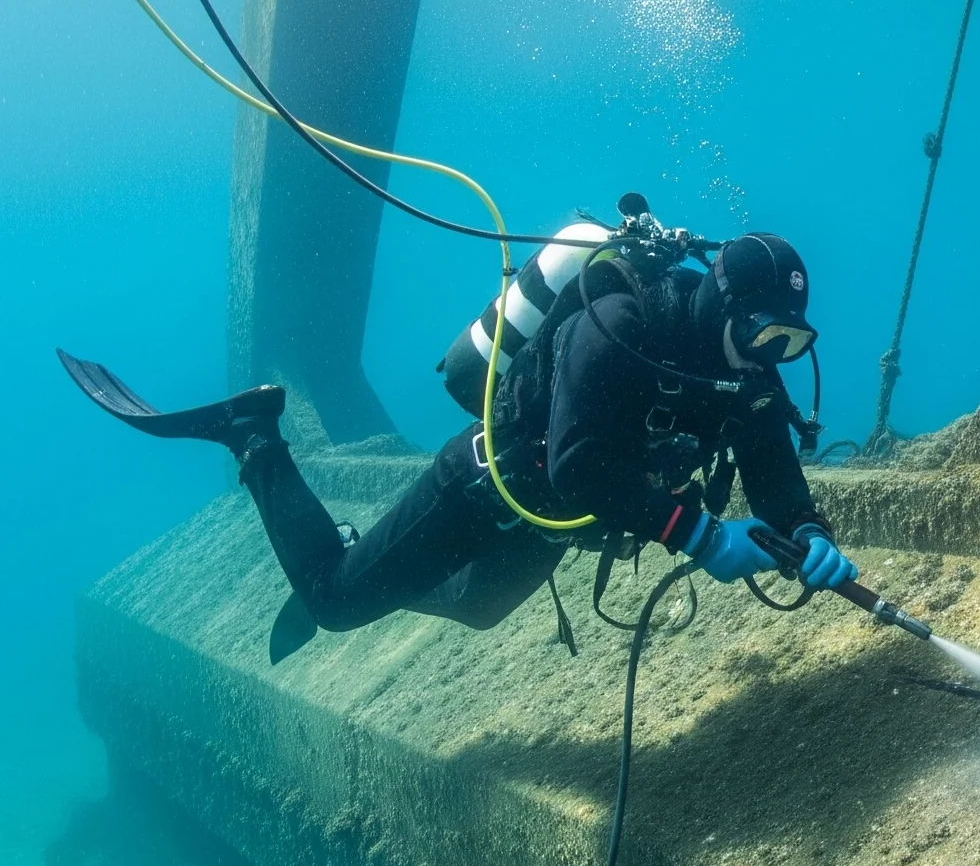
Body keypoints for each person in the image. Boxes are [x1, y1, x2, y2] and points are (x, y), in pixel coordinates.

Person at [60, 229, 858, 647]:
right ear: (724, 304)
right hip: (486, 487)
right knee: (336, 601)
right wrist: (701, 534)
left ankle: (377, 556)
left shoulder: (744, 372)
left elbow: (769, 462)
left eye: (790, 343)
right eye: (763, 334)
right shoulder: (621, 328)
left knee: (477, 608)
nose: (771, 358)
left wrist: (805, 530)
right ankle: (253, 435)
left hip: (556, 525)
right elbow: (580, 466)